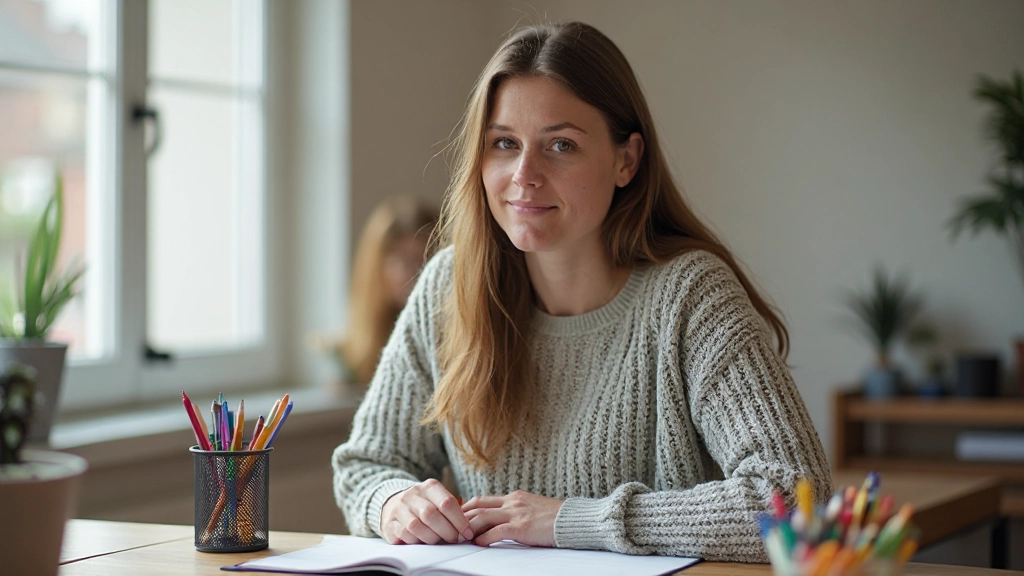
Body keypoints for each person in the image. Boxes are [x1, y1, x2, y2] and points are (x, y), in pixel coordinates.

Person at [332, 21, 830, 562]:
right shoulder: (446, 289)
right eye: (503, 143)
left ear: (626, 160)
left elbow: (797, 501)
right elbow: (366, 465)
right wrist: (395, 502)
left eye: (561, 145)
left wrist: (573, 520)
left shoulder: (691, 297)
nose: (524, 174)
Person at [316, 195, 438, 385]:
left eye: (426, 260)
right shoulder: (348, 360)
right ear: (376, 267)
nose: (414, 274)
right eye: (402, 260)